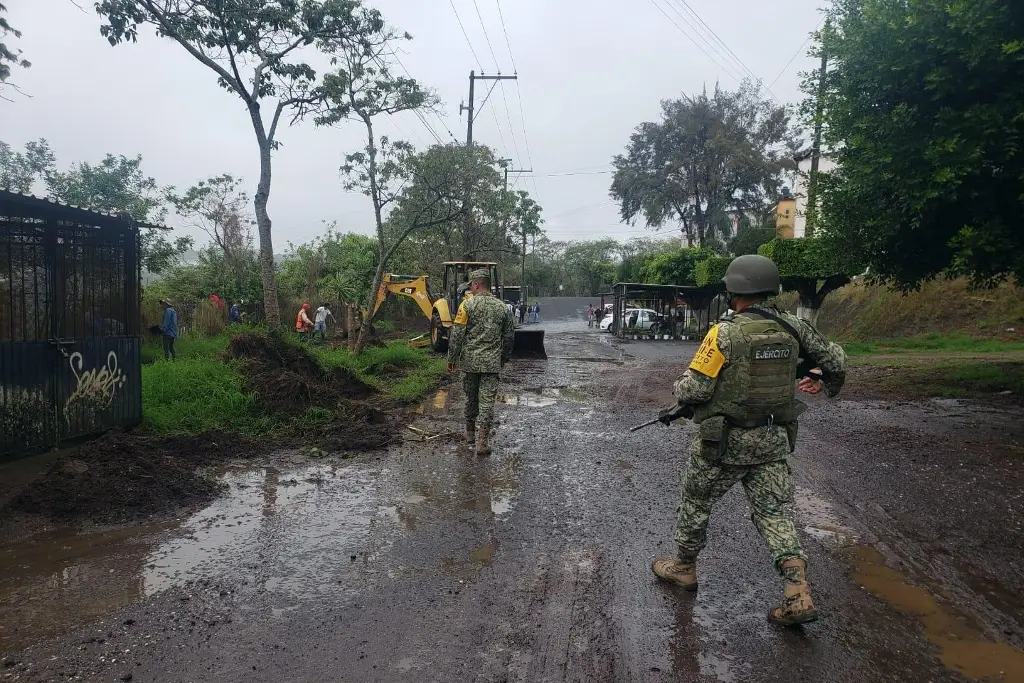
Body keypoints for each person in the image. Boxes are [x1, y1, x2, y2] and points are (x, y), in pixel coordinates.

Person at [650, 254, 847, 627]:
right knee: (773, 512)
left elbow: (695, 387)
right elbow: (836, 360)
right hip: (773, 440)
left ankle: (684, 568)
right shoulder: (795, 327)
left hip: (723, 444)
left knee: (696, 503)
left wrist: (679, 394)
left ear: (733, 289)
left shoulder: (724, 332)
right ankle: (797, 592)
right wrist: (821, 378)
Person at [447, 268, 515, 456]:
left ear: (476, 284)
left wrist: (452, 358)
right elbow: (509, 336)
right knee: (487, 403)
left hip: (469, 363)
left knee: (471, 398)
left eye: (472, 285)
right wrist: (504, 357)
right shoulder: (502, 307)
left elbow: (457, 334)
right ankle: (482, 443)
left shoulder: (466, 306)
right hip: (492, 364)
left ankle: (469, 434)